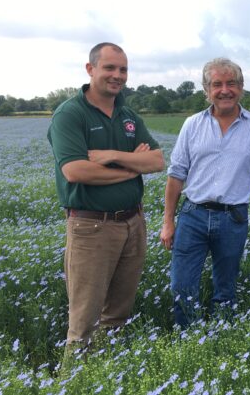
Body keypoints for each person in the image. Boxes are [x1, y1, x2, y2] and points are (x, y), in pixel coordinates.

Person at [47, 42, 165, 349]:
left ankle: (108, 372)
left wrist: (112, 155)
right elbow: (76, 171)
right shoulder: (70, 114)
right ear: (90, 69)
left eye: (123, 69)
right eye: (109, 67)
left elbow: (156, 161)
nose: (117, 75)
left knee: (117, 315)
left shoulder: (128, 115)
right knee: (84, 322)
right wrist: (131, 167)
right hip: (91, 227)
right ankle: (75, 382)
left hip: (132, 223)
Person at [159, 58, 250, 328]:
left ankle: (222, 340)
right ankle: (189, 341)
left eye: (231, 83)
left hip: (233, 218)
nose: (225, 90)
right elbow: (176, 175)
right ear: (206, 90)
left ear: (241, 88)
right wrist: (168, 221)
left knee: (225, 289)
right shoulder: (192, 125)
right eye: (217, 84)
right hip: (193, 215)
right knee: (181, 286)